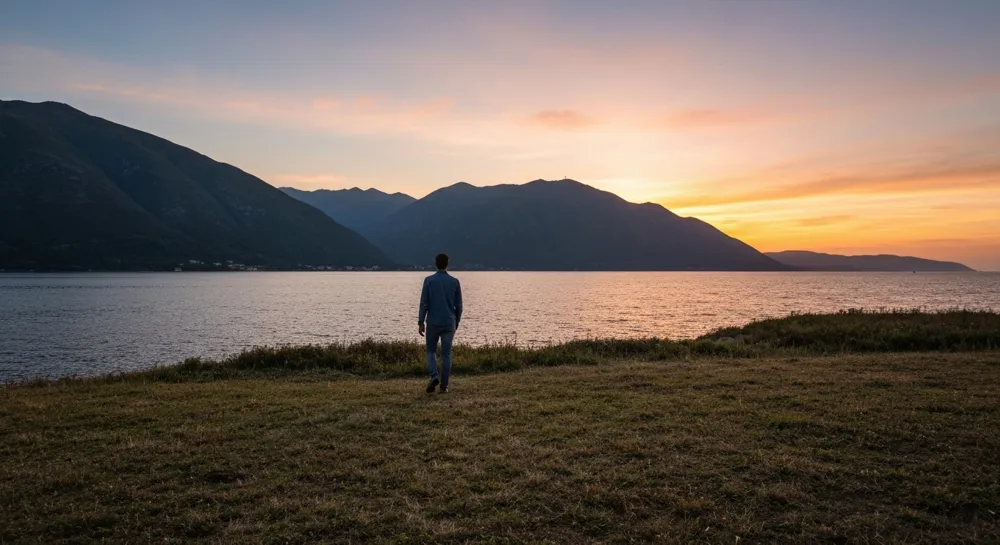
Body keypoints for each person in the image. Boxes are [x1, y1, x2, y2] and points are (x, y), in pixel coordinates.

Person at [418, 253, 463, 394]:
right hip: (449, 322)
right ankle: (444, 386)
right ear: (447, 264)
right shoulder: (454, 282)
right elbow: (459, 306)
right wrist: (456, 321)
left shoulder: (429, 281)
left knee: (431, 351)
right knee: (446, 354)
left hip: (433, 322)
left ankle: (434, 376)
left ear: (435, 263)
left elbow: (424, 303)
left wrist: (420, 321)